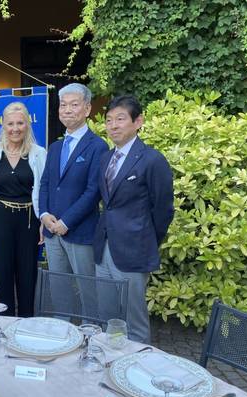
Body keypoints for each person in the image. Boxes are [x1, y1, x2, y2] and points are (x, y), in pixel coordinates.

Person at [94, 95, 174, 343]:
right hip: (104, 247)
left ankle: (138, 367)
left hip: (134, 249)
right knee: (107, 316)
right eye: (109, 120)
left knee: (134, 319)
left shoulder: (152, 160)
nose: (113, 125)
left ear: (138, 121)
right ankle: (111, 364)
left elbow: (163, 210)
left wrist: (146, 239)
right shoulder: (106, 158)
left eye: (120, 119)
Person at [39, 83, 108, 317]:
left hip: (79, 231)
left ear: (87, 109)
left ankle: (94, 335)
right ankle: (63, 332)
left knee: (89, 290)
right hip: (51, 230)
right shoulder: (56, 147)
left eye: (74, 105)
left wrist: (65, 222)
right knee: (59, 290)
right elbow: (46, 184)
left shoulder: (98, 146)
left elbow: (93, 191)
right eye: (63, 105)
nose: (67, 110)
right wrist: (44, 215)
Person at [0, 102, 47, 317]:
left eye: (20, 123)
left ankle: (27, 322)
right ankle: (4, 322)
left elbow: (44, 191)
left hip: (29, 220)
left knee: (27, 273)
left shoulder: (38, 153)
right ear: (3, 125)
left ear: (27, 124)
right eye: (10, 123)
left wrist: (43, 222)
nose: (15, 128)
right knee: (1, 272)